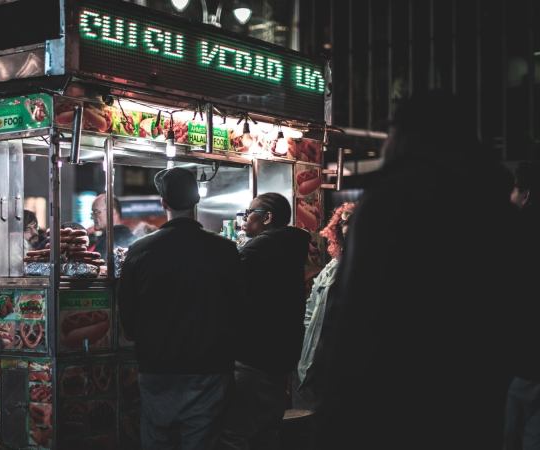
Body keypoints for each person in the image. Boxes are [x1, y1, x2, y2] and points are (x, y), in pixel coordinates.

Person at [314, 91, 521, 450]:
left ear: (409, 137)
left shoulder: (393, 199)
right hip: (475, 394)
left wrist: (335, 413)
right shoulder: (496, 205)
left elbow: (358, 314)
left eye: (393, 132)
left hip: (391, 396)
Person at [118, 167, 244, 450]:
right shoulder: (225, 250)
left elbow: (127, 312)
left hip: (157, 366)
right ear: (196, 200)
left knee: (158, 439)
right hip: (209, 367)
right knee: (202, 440)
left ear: (163, 202)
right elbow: (238, 307)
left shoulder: (140, 250)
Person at [216, 192, 310, 450]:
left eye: (249, 214)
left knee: (235, 432)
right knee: (267, 429)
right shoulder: (291, 246)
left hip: (253, 354)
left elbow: (230, 292)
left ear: (267, 217)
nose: (245, 220)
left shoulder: (258, 249)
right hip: (281, 355)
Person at [296, 202, 355, 411]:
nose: (348, 228)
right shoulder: (331, 267)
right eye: (344, 224)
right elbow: (310, 309)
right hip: (315, 362)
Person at [504, 161, 540, 450]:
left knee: (512, 430)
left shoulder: (516, 232)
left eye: (513, 190)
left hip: (523, 358)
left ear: (525, 194)